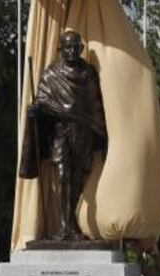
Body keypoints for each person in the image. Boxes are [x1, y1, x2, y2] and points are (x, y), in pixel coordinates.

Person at [19, 30, 107, 240]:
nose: (72, 51)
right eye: (67, 47)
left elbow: (95, 105)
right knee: (62, 175)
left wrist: (100, 133)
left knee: (77, 178)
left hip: (82, 133)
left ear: (81, 49)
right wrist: (35, 111)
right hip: (60, 132)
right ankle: (64, 225)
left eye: (76, 47)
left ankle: (71, 224)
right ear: (60, 49)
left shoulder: (88, 73)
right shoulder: (51, 74)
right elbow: (42, 100)